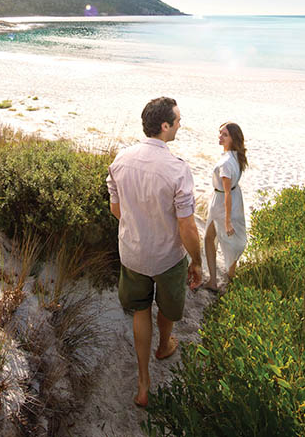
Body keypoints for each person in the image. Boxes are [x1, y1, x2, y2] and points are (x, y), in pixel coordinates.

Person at [106, 97, 202, 408]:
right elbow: (187, 228)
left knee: (140, 310)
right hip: (167, 256)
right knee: (167, 306)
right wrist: (197, 261)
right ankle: (164, 346)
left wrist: (140, 227)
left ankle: (143, 380)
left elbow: (116, 209)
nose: (180, 124)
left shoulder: (120, 159)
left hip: (132, 253)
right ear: (164, 126)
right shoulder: (177, 169)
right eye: (177, 120)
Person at [202, 122, 248, 293]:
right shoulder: (236, 156)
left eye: (225, 135)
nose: (220, 136)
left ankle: (214, 280)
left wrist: (227, 221)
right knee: (230, 240)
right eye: (220, 133)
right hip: (234, 199)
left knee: (209, 238)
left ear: (233, 139)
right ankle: (230, 275)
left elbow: (226, 193)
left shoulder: (226, 163)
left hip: (222, 202)